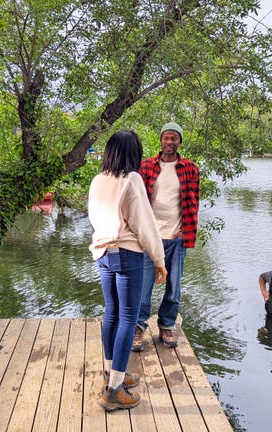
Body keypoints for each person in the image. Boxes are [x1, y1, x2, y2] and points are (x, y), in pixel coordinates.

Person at [88, 130, 167, 412]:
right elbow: (144, 225)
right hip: (126, 254)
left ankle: (113, 374)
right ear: (133, 153)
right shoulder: (131, 179)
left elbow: (93, 217)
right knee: (128, 318)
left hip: (103, 253)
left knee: (112, 313)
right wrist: (159, 260)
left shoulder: (98, 180)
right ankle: (114, 391)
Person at [133, 122, 199, 351]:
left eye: (174, 138)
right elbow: (137, 201)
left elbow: (194, 201)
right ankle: (138, 327)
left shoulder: (190, 168)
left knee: (174, 286)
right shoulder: (146, 167)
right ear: (160, 140)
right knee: (143, 285)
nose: (170, 142)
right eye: (166, 138)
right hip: (150, 238)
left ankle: (167, 325)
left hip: (176, 237)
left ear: (180, 141)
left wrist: (187, 229)